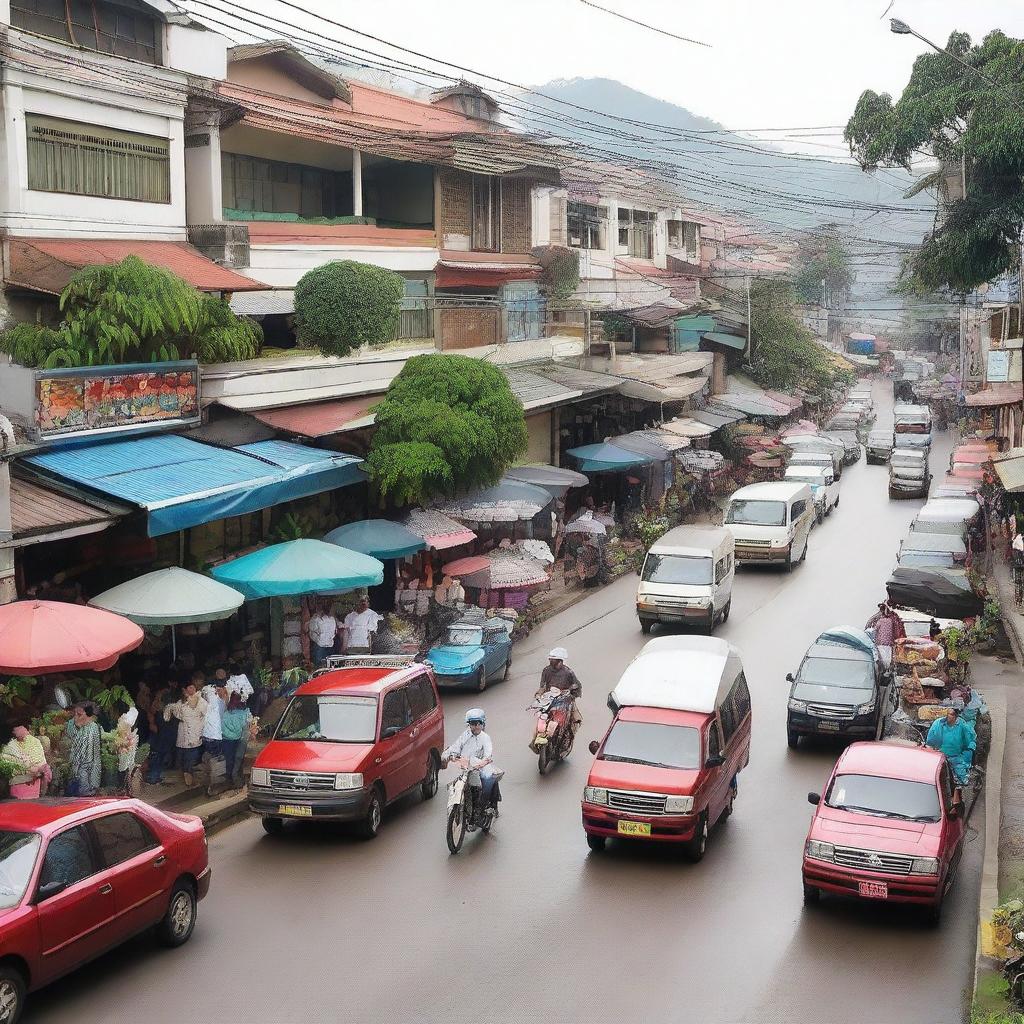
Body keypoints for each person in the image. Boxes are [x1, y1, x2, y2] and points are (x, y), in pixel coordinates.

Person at [442, 708, 498, 828]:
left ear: (483, 724)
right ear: (469, 724)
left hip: (479, 768)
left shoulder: (485, 738)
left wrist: (482, 763)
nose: (476, 726)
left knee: (477, 787)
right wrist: (449, 755)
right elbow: (456, 747)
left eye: (479, 723)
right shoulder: (465, 735)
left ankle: (476, 815)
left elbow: (488, 754)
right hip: (465, 767)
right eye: (473, 723)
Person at [163, 682, 209, 788]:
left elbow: (205, 714)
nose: (191, 690)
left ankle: (190, 779)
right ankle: (187, 778)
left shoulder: (201, 701)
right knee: (183, 757)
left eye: (193, 687)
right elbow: (177, 712)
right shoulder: (181, 702)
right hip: (183, 734)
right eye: (189, 688)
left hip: (194, 733)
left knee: (191, 758)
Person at [536, 647, 583, 737]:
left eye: (555, 661)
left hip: (564, 698)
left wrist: (571, 693)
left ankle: (568, 733)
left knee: (575, 717)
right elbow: (543, 686)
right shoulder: (546, 671)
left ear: (561, 661)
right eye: (551, 661)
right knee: (541, 716)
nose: (553, 663)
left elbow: (577, 685)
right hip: (550, 698)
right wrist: (539, 694)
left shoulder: (568, 672)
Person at [926, 705, 977, 785]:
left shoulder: (962, 725)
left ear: (955, 716)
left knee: (962, 780)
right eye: (948, 714)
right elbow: (930, 741)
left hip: (956, 757)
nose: (948, 716)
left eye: (951, 714)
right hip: (939, 756)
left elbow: (969, 740)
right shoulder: (938, 724)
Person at [2, 721, 49, 799]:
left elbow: (41, 764)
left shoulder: (35, 742)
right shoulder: (10, 745)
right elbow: (9, 766)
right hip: (17, 785)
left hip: (33, 784)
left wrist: (36, 769)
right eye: (15, 729)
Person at [64, 703, 101, 796]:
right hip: (73, 769)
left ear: (89, 716)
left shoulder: (94, 728)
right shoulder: (71, 724)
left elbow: (96, 756)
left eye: (79, 714)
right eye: (74, 714)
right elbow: (69, 738)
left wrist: (95, 782)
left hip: (87, 770)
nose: (75, 717)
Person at [221, 692, 253, 788]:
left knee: (229, 759)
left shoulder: (227, 712)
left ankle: (229, 779)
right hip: (239, 738)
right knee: (238, 759)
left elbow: (223, 726)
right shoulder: (244, 713)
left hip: (226, 739)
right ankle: (236, 779)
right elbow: (244, 726)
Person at [865, 602, 905, 669]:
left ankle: (884, 670)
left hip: (880, 642)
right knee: (888, 658)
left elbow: (874, 630)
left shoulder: (879, 620)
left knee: (882, 658)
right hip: (890, 643)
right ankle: (888, 670)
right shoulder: (891, 620)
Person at [200, 673, 227, 760]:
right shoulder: (210, 692)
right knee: (214, 759)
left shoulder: (206, 690)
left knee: (211, 758)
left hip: (210, 733)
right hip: (213, 734)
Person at [114, 707, 139, 791]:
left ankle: (125, 788)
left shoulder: (131, 734)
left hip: (127, 756)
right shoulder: (121, 732)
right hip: (122, 756)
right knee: (122, 771)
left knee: (125, 772)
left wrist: (127, 743)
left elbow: (129, 744)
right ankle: (123, 788)